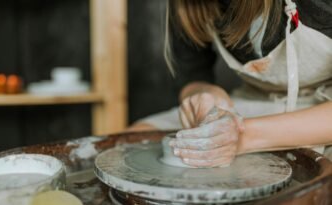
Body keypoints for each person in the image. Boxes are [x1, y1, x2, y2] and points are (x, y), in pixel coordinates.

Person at [128, 0, 332, 167]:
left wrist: (244, 136)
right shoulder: (187, 6)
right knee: (135, 138)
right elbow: (192, 76)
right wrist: (203, 95)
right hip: (253, 100)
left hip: (321, 111)